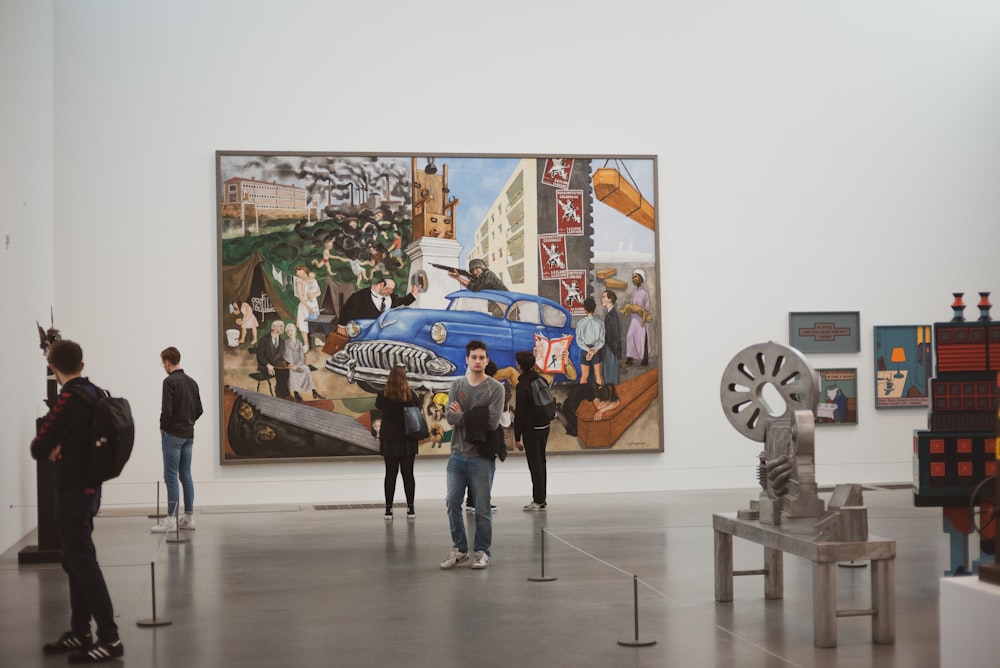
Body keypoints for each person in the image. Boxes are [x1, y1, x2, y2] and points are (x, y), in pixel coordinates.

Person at [30, 340, 125, 663]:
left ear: (53, 368)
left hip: (72, 492)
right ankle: (80, 631)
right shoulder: (95, 392)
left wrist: (55, 447)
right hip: (91, 490)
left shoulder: (69, 398)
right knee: (74, 560)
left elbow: (39, 446)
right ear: (81, 365)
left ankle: (110, 639)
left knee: (82, 562)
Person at [441, 340, 505, 570]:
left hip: (481, 457)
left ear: (487, 360)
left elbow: (491, 422)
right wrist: (472, 415)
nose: (478, 361)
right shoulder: (457, 385)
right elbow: (449, 418)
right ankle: (459, 549)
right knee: (452, 502)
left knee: (482, 507)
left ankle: (481, 551)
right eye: (474, 357)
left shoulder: (496, 388)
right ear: (467, 359)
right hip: (457, 455)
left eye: (482, 357)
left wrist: (464, 414)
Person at [152, 346, 204, 533]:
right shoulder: (192, 382)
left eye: (162, 363)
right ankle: (188, 518)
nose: (163, 366)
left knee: (171, 476)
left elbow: (167, 410)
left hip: (173, 435)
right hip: (188, 435)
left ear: (167, 362)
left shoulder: (169, 382)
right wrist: (187, 422)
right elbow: (199, 410)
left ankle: (171, 520)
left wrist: (163, 427)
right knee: (186, 475)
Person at [375, 366, 419, 520]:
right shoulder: (412, 395)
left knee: (390, 475)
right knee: (408, 475)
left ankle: (388, 510)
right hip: (408, 439)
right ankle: (411, 509)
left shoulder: (382, 395)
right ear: (405, 378)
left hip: (389, 439)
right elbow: (417, 408)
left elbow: (378, 406)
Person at [513, 350, 551, 511]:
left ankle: (538, 500)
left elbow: (520, 413)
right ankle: (542, 499)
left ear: (519, 365)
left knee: (534, 465)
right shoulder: (540, 379)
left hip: (531, 430)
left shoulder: (522, 385)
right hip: (545, 426)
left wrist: (517, 436)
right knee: (541, 462)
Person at [337, 274, 418, 336]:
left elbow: (402, 301)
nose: (390, 292)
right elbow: (347, 310)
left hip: (383, 334)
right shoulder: (359, 296)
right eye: (388, 289)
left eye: (392, 290)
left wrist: (413, 293)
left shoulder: (391, 297)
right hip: (363, 333)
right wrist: (342, 326)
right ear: (381, 284)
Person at [282, 322, 324, 402]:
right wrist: (292, 365)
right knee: (293, 372)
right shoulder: (286, 343)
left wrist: (299, 364)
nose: (290, 332)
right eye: (288, 331)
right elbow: (286, 356)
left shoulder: (299, 343)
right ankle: (296, 393)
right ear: (287, 333)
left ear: (295, 332)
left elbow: (302, 356)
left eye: (291, 330)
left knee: (306, 369)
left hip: (299, 363)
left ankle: (314, 391)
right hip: (290, 364)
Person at [623, 269, 653, 367]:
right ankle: (629, 361)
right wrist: (631, 309)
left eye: (635, 276)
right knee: (630, 337)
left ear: (641, 278)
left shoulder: (645, 293)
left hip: (641, 320)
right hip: (634, 319)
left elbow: (647, 308)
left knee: (642, 339)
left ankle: (644, 362)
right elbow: (632, 306)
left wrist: (640, 312)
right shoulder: (634, 292)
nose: (633, 279)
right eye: (633, 277)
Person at [256, 320, 291, 399]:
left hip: (277, 365)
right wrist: (268, 365)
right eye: (280, 326)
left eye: (283, 326)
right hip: (265, 365)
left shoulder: (282, 342)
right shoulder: (264, 340)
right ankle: (285, 396)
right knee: (282, 372)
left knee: (286, 370)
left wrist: (288, 364)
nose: (282, 328)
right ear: (273, 327)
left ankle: (283, 395)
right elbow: (260, 356)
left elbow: (281, 357)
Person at [577, 296, 605, 385]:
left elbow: (579, 340)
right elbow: (601, 341)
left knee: (584, 376)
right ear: (595, 308)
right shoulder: (600, 323)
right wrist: (594, 351)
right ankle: (601, 396)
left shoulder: (580, 323)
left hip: (585, 351)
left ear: (585, 309)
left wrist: (588, 350)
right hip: (597, 351)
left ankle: (582, 396)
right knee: (598, 375)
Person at [293, 265, 320, 350]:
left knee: (315, 322)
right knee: (304, 324)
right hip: (305, 305)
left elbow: (319, 292)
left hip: (313, 304)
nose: (300, 275)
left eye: (302, 273)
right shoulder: (299, 282)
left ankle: (317, 339)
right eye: (298, 274)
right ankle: (306, 344)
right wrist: (308, 308)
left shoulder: (313, 281)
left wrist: (313, 294)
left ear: (306, 272)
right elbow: (301, 297)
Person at [601, 290, 622, 385]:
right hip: (608, 348)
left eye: (604, 297)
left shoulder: (612, 315)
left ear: (610, 300)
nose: (602, 299)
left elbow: (615, 335)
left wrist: (613, 350)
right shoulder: (609, 313)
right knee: (608, 374)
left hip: (610, 349)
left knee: (610, 375)